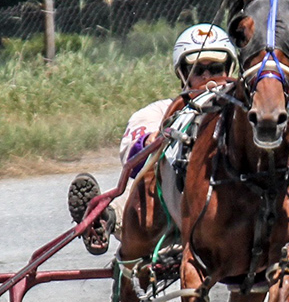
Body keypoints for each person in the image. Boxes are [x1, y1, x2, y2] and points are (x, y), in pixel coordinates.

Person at [66, 23, 237, 254]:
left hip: (229, 212)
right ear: (183, 74)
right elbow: (133, 158)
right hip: (168, 211)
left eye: (215, 69)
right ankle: (105, 219)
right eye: (198, 70)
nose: (207, 78)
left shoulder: (243, 116)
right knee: (143, 188)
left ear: (228, 70)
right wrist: (153, 141)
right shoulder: (161, 112)